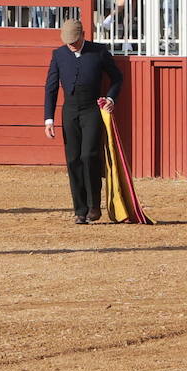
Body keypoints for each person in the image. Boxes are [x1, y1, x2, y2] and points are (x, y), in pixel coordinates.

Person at [44, 17, 123, 224]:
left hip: (91, 109)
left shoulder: (99, 51)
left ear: (84, 36)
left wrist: (110, 98)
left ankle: (94, 205)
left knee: (89, 155)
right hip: (69, 110)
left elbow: (117, 78)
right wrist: (49, 118)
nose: (71, 46)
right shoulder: (59, 54)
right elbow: (51, 87)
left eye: (74, 42)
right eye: (68, 42)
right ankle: (80, 209)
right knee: (73, 159)